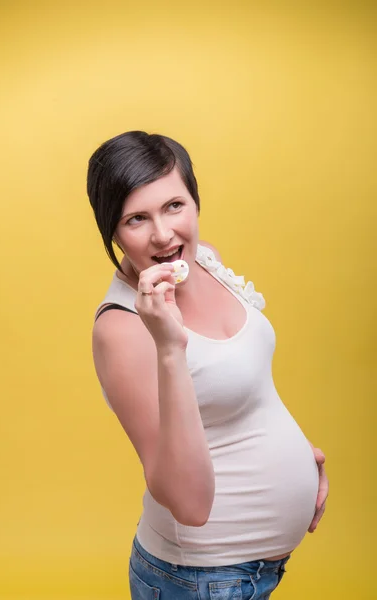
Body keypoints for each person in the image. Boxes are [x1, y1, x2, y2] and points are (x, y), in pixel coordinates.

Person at [87, 131, 329, 600]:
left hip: (254, 569)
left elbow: (239, 385)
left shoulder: (205, 260)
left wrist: (298, 457)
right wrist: (170, 346)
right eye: (136, 218)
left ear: (195, 201)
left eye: (174, 206)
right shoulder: (121, 328)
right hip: (200, 579)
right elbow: (187, 504)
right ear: (112, 231)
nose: (163, 234)